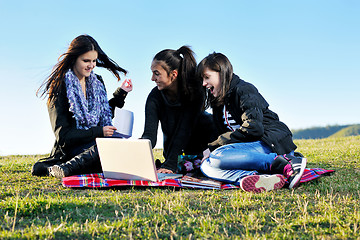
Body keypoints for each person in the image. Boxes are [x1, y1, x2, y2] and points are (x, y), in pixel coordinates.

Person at [197, 52, 307, 193]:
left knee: (217, 156)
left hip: (270, 142)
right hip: (249, 150)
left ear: (222, 73)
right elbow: (225, 136)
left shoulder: (244, 90)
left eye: (207, 77)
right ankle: (253, 178)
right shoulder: (218, 103)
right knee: (206, 165)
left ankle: (283, 162)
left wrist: (214, 146)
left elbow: (254, 128)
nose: (204, 84)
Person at [32, 34, 133, 178]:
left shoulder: (97, 81)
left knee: (118, 147)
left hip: (93, 144)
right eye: (86, 60)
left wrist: (121, 93)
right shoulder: (60, 86)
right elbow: (64, 137)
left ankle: (65, 169)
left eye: (94, 61)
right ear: (74, 59)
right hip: (70, 150)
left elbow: (102, 113)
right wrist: (99, 132)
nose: (91, 65)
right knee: (106, 150)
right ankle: (65, 167)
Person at [141, 46, 217, 173]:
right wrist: (137, 151)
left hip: (201, 153)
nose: (152, 78)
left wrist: (171, 164)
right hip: (174, 155)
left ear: (173, 74)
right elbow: (149, 135)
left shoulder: (195, 91)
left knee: (208, 119)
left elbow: (184, 129)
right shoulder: (154, 96)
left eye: (156, 73)